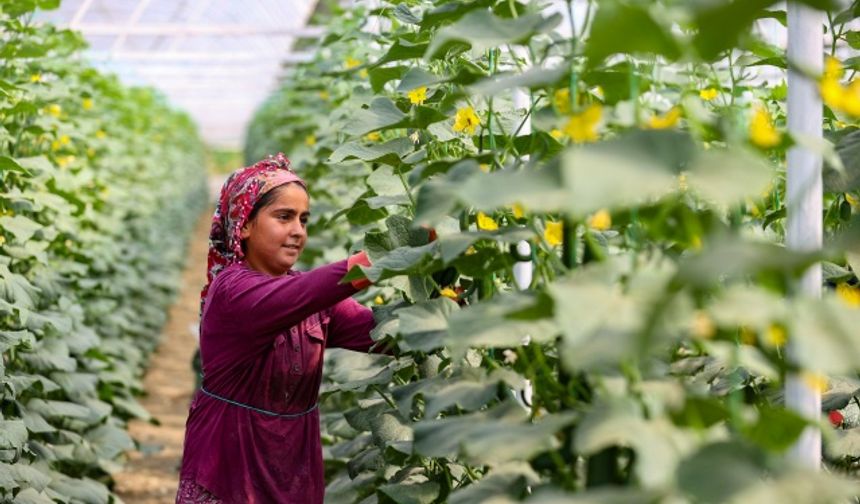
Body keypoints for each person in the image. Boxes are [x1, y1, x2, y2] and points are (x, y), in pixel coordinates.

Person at [175, 153, 382, 503]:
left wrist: (448, 308)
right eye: (283, 217)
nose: (298, 231)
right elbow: (304, 293)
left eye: (304, 219)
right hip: (230, 467)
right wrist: (387, 253)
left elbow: (382, 332)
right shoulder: (232, 290)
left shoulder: (312, 300)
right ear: (245, 225)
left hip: (293, 467)